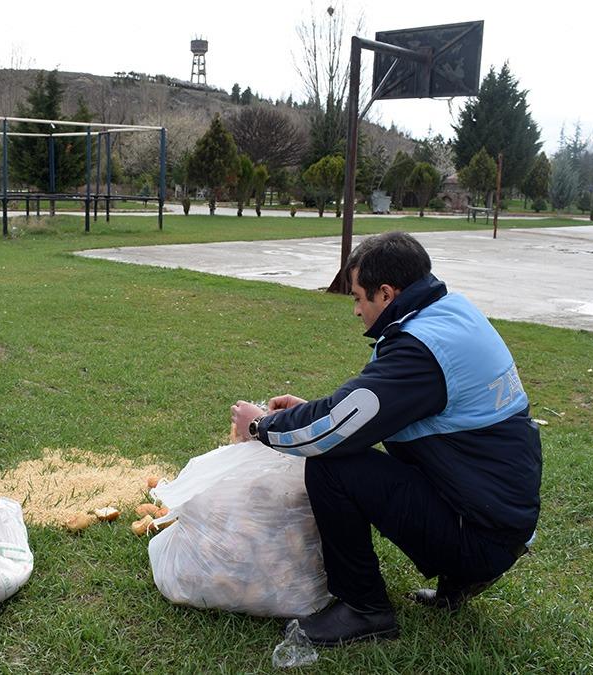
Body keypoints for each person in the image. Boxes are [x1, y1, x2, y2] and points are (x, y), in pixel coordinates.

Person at [231, 231, 541, 646]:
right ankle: (461, 578)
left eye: (359, 298)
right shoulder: (449, 313)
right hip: (496, 518)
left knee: (331, 466)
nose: (357, 311)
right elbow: (379, 414)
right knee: (347, 447)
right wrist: (316, 415)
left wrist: (259, 427)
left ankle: (364, 609)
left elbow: (337, 428)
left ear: (387, 293)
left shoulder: (422, 350)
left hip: (484, 532)